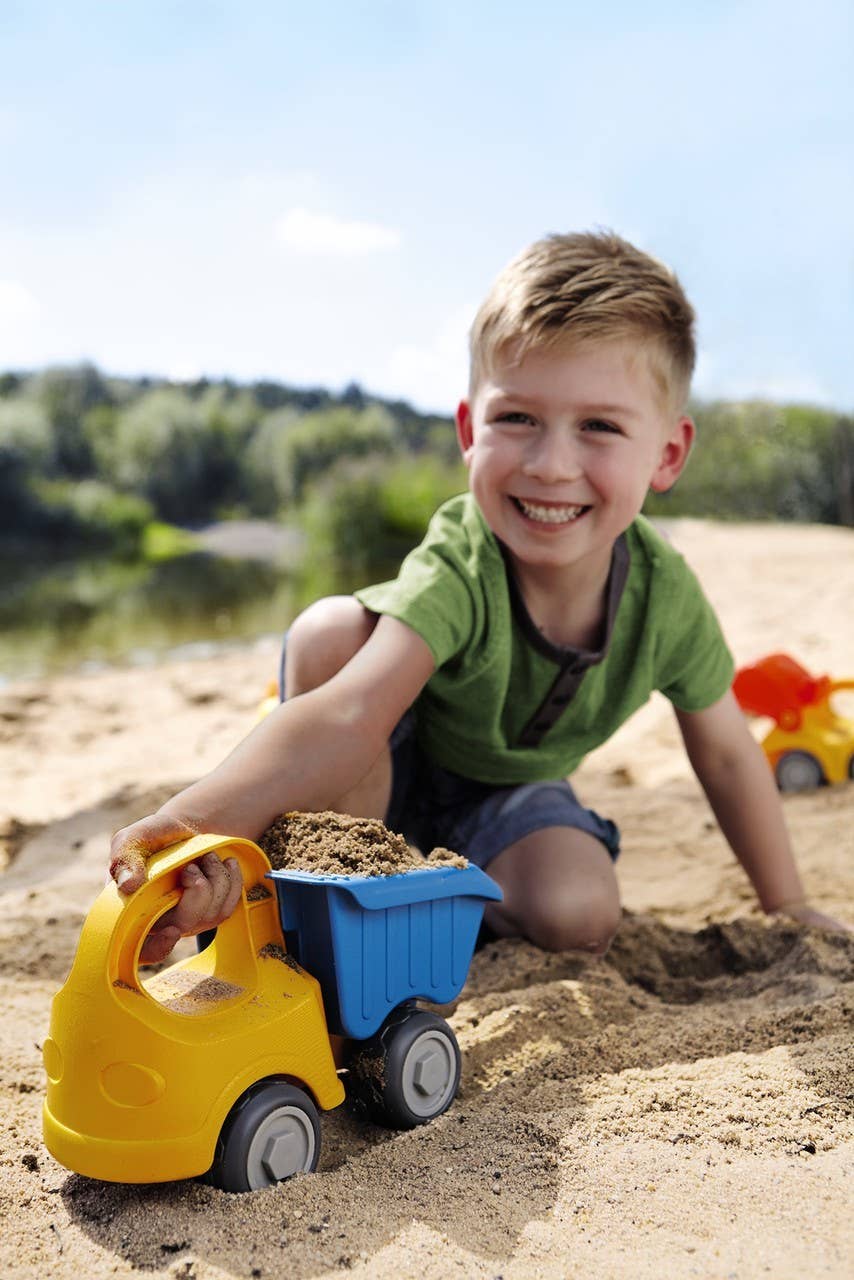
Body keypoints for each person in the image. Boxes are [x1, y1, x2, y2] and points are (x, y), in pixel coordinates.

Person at [110, 230, 850, 964]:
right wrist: (183, 824)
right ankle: (309, 891)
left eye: (599, 427)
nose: (552, 464)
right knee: (331, 634)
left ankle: (431, 894)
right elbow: (351, 715)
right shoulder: (464, 559)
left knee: (582, 914)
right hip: (375, 772)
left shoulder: (664, 597)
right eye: (517, 418)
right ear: (470, 429)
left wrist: (786, 906)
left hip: (506, 796)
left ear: (667, 454)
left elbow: (725, 754)